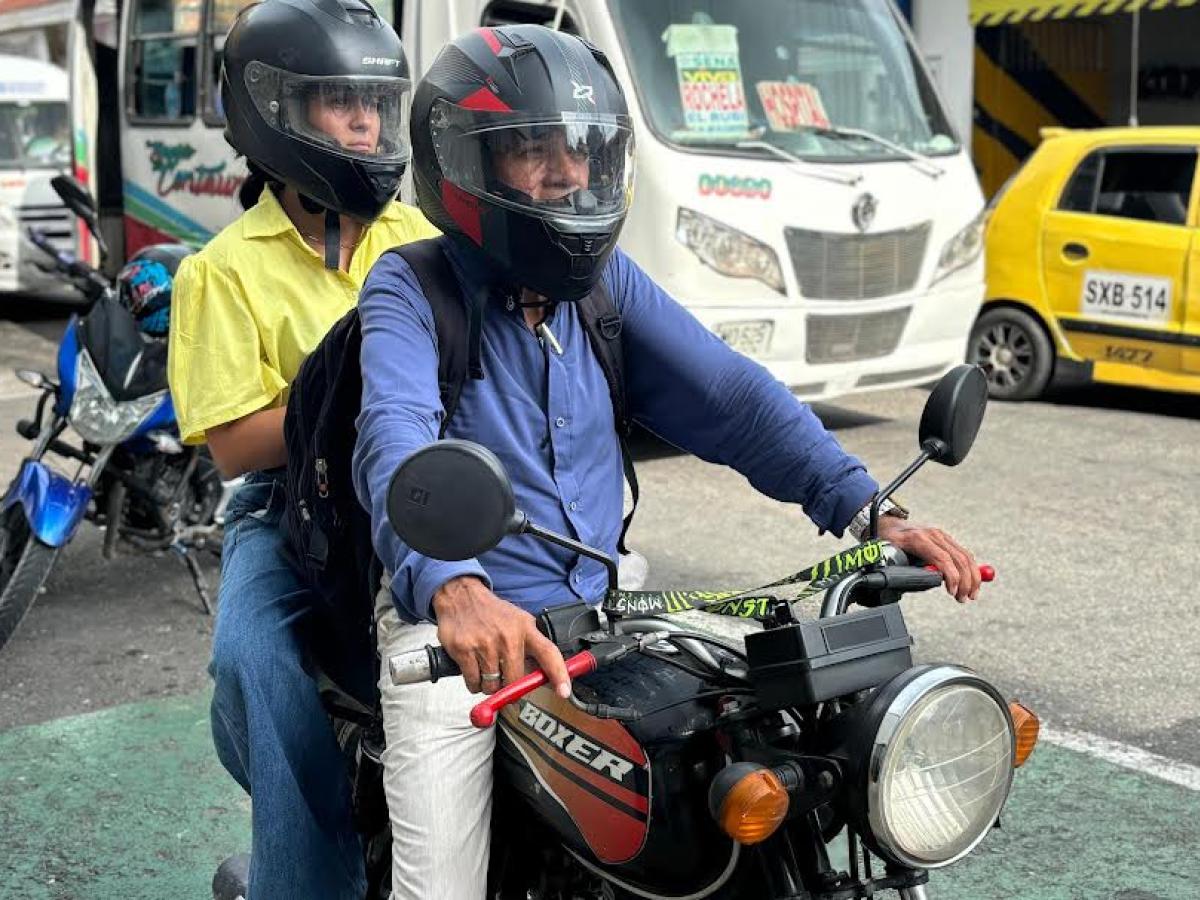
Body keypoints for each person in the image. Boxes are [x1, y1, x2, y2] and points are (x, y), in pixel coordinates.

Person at [351, 25, 982, 899]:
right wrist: (453, 586)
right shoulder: (410, 287)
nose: (567, 175)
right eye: (531, 151)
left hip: (604, 609)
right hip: (461, 640)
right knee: (443, 891)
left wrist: (869, 510)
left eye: (583, 150)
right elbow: (396, 435)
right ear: (462, 166)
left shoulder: (604, 286)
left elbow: (731, 396)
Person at [165, 0, 438, 896]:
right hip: (287, 507)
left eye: (374, 102)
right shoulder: (223, 268)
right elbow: (238, 446)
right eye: (337, 102)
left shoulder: (422, 237)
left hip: (425, 484)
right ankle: (312, 873)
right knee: (251, 658)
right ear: (273, 113)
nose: (364, 122)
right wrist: (352, 397)